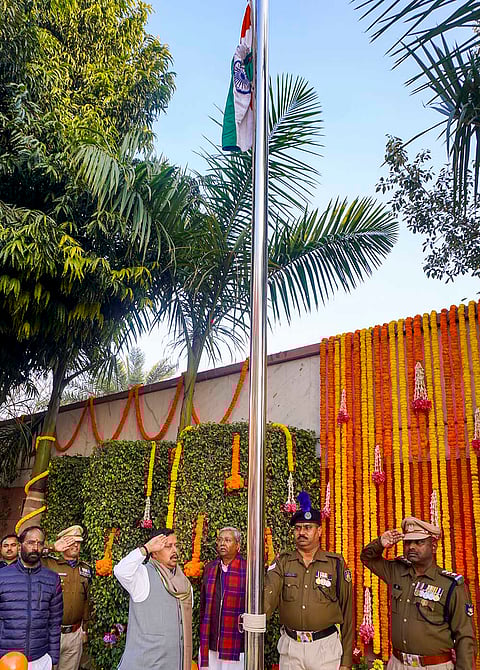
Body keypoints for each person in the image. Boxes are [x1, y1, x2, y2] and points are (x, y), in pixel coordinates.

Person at [361, 516, 476, 670]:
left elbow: (465, 637)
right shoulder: (397, 571)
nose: (411, 547)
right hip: (397, 663)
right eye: (408, 542)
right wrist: (381, 542)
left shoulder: (451, 585)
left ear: (433, 546)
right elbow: (367, 558)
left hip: (434, 666)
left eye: (419, 542)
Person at [264, 493, 353, 670]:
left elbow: (348, 612)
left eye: (307, 528)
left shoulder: (335, 563)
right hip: (291, 648)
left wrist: (346, 662)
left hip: (325, 649)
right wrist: (257, 619)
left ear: (319, 531)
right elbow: (269, 595)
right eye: (297, 528)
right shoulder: (283, 562)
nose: (301, 533)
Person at [114, 527, 193, 670]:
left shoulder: (185, 584)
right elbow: (121, 571)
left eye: (176, 545)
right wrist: (146, 548)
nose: (174, 550)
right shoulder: (142, 575)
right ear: (154, 552)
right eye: (168, 546)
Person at [0, 525, 63, 670]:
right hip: (6, 658)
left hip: (39, 658)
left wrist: (53, 658)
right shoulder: (2, 576)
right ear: (20, 545)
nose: (35, 547)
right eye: (30, 542)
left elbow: (54, 622)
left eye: (40, 543)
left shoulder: (52, 579)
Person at [42, 525, 91, 670]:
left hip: (75, 634)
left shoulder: (85, 569)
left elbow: (86, 601)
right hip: (50, 632)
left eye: (78, 542)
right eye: (71, 541)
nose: (76, 545)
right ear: (62, 542)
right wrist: (51, 547)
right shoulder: (48, 563)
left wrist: (85, 628)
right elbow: (25, 552)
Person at [199, 526, 246, 669]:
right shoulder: (210, 568)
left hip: (236, 644)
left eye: (227, 540)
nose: (221, 544)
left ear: (237, 545)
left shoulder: (247, 569)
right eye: (219, 540)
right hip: (211, 642)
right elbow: (203, 605)